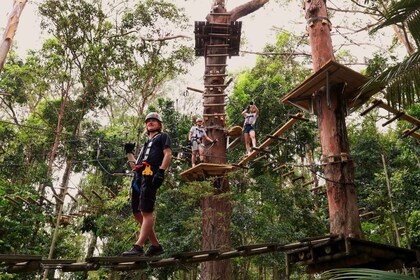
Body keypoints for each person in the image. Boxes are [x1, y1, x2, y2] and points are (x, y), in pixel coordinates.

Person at [122, 112, 172, 257]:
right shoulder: (145, 144)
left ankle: (139, 246)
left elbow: (168, 154)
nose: (150, 122)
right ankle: (156, 246)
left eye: (154, 120)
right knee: (137, 214)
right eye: (148, 120)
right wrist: (129, 153)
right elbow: (135, 165)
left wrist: (161, 172)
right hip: (138, 178)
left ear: (159, 124)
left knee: (146, 212)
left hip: (151, 176)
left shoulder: (162, 137)